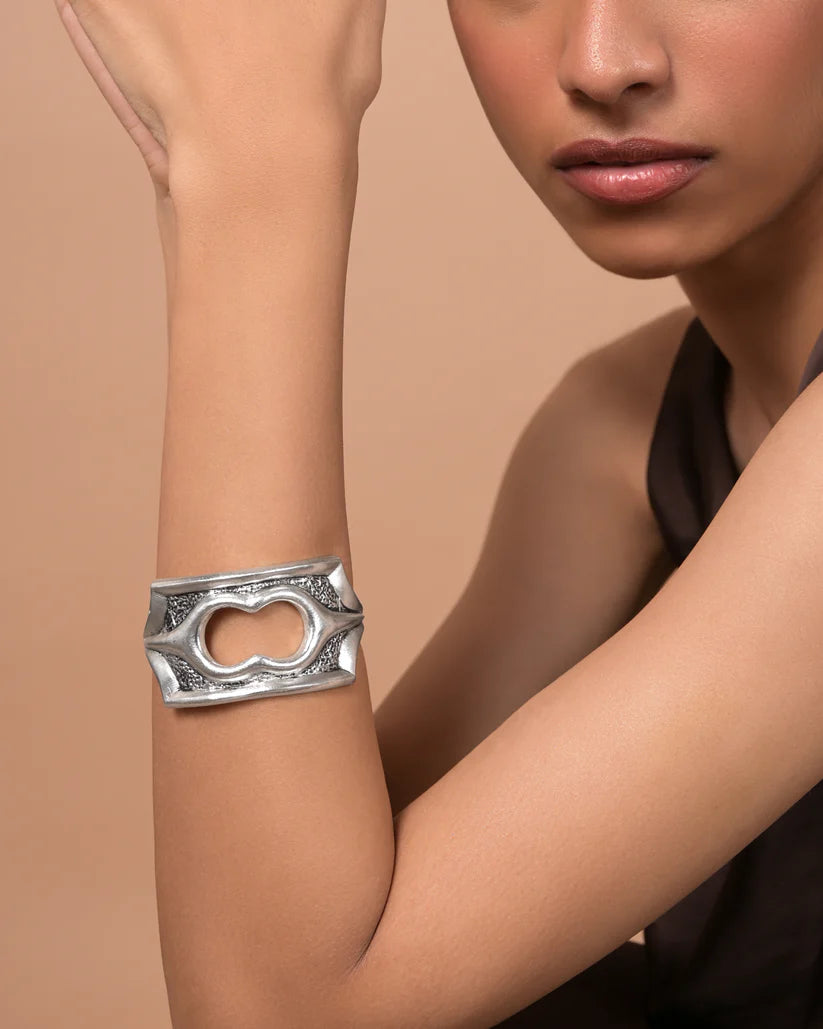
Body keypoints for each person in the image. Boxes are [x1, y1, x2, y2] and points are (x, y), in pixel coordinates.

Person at [54, 0, 823, 1026]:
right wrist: (205, 168)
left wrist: (265, 175)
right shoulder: (620, 435)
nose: (602, 63)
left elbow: (277, 1009)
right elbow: (274, 921)